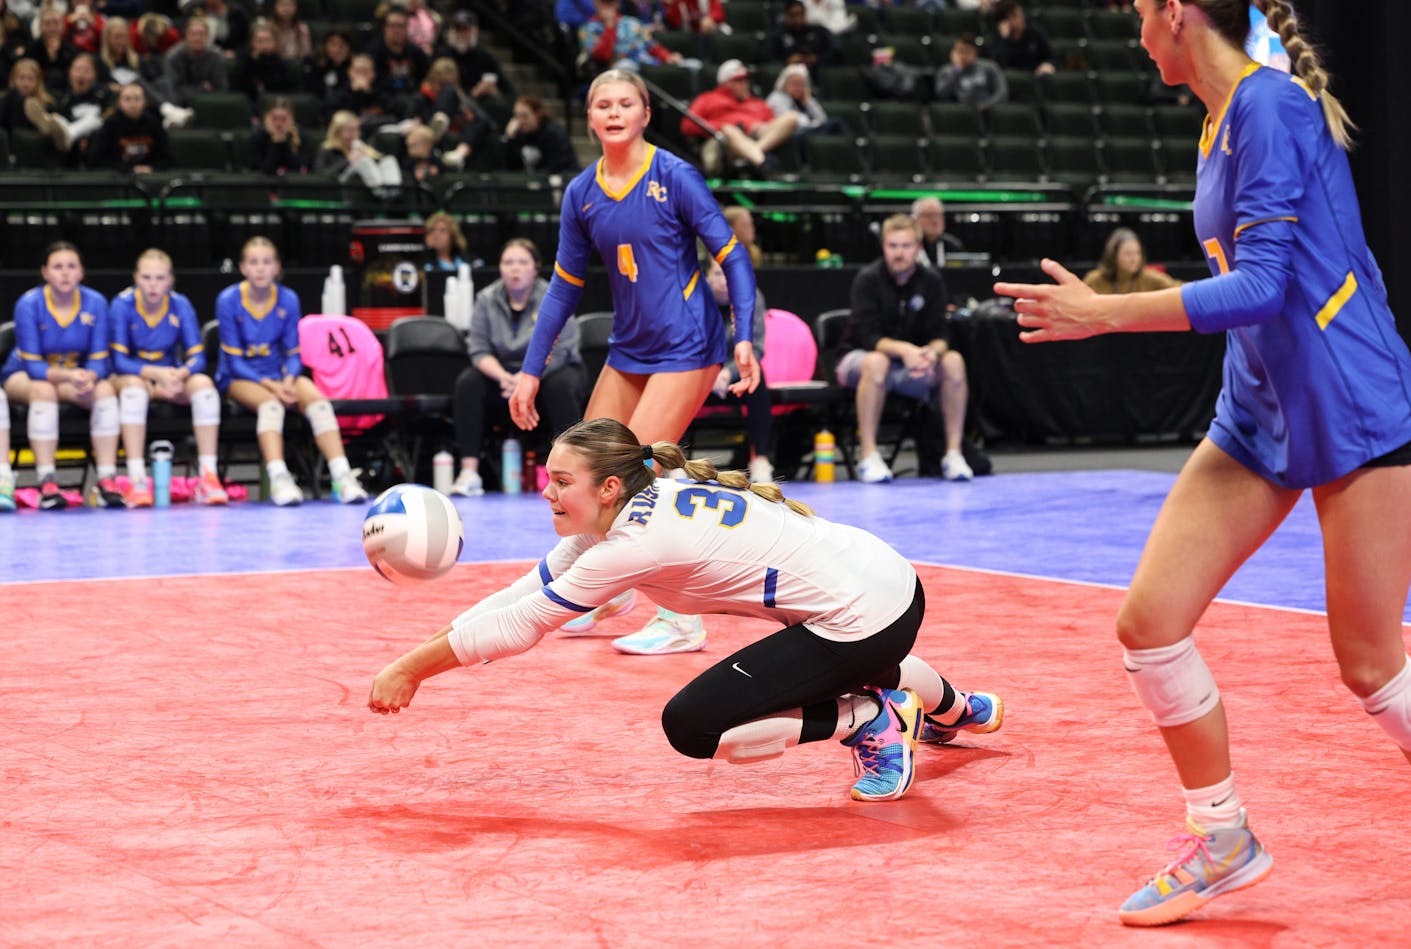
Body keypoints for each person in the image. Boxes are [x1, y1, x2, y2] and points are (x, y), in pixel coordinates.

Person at [994, 0, 1411, 927]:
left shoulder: (1272, 107)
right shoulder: (1217, 118)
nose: (1135, 33)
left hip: (1353, 402)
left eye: (1140, 15)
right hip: (1258, 410)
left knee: (1372, 667)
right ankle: (1221, 835)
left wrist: (1103, 311)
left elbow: (1265, 286)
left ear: (1179, 12)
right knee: (1149, 623)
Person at [367, 417, 1006, 804]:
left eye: (561, 480)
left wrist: (412, 670)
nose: (547, 489)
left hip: (865, 620)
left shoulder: (633, 542)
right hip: (886, 584)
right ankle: (955, 709)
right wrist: (417, 654)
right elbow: (517, 597)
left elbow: (521, 626)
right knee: (836, 648)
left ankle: (869, 718)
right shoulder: (635, 505)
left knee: (693, 727)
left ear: (608, 486)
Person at [509, 69, 762, 656]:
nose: (615, 112)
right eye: (603, 104)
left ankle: (680, 620)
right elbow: (563, 290)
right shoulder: (582, 192)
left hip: (689, 343)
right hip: (631, 347)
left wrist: (741, 334)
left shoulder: (675, 177)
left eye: (627, 103)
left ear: (646, 113)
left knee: (634, 479)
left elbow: (734, 256)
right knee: (580, 466)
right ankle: (610, 591)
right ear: (590, 117)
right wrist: (529, 369)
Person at [214, 236, 369, 507]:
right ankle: (279, 479)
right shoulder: (228, 300)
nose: (260, 268)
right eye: (253, 262)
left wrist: (287, 379)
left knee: (318, 403)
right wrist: (275, 388)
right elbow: (234, 362)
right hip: (240, 377)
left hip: (279, 375)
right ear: (242, 268)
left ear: (277, 267)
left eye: (267, 262)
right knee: (271, 406)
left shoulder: (288, 299)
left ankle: (342, 477)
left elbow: (293, 353)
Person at [838, 213, 973, 484]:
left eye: (906, 246)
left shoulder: (931, 281)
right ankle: (868, 455)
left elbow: (941, 334)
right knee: (877, 361)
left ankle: (953, 455)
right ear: (884, 247)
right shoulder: (868, 279)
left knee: (954, 361)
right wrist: (905, 350)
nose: (899, 253)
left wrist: (930, 354)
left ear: (918, 248)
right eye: (893, 246)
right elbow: (868, 336)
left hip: (912, 365)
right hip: (858, 362)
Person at [450, 238, 585, 498]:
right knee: (468, 382)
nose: (515, 268)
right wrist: (507, 378)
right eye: (508, 262)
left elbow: (562, 348)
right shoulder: (486, 299)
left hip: (550, 369)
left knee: (562, 385)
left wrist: (529, 376)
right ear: (500, 268)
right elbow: (478, 350)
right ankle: (469, 472)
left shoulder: (554, 297)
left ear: (535, 268)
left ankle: (572, 472)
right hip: (503, 374)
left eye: (522, 262)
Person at [1, 242, 123, 510]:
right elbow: (33, 367)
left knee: (104, 391)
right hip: (24, 376)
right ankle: (47, 482)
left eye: (72, 266)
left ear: (81, 273)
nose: (65, 273)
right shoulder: (29, 304)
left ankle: (106, 480)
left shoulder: (96, 303)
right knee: (43, 390)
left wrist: (90, 375)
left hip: (72, 377)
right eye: (58, 267)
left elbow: (101, 359)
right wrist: (71, 376)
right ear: (45, 272)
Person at [108, 248, 227, 507]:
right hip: (133, 375)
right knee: (134, 390)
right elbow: (119, 361)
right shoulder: (121, 305)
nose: (153, 285)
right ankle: (137, 479)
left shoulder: (180, 304)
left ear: (171, 280)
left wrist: (181, 373)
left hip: (171, 376)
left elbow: (198, 358)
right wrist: (156, 375)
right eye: (147, 278)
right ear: (136, 278)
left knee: (205, 387)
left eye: (160, 278)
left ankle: (208, 476)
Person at [705, 256, 774, 485]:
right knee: (670, 379)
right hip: (697, 374)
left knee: (757, 377)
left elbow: (755, 349)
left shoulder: (751, 296)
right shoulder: (692, 297)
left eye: (729, 274)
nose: (725, 280)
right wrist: (709, 373)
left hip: (734, 378)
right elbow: (681, 344)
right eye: (717, 274)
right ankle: (674, 465)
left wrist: (727, 373)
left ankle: (761, 462)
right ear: (705, 277)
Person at [682, 58, 800, 177]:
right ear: (726, 83)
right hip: (723, 144)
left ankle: (754, 156)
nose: (745, 84)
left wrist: (758, 127)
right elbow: (687, 125)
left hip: (756, 141)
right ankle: (763, 164)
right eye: (739, 80)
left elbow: (773, 127)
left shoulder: (756, 102)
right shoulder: (707, 98)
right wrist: (722, 126)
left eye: (746, 80)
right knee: (730, 130)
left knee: (792, 116)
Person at [89, 80, 170, 173]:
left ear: (145, 101)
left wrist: (152, 168)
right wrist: (127, 169)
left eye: (137, 98)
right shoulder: (110, 125)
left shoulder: (154, 124)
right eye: (127, 99)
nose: (133, 104)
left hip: (148, 177)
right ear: (119, 102)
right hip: (119, 178)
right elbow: (97, 160)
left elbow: (165, 158)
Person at [1082, 227, 1180, 295]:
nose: (1134, 259)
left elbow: (1181, 290)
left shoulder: (1150, 278)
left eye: (1137, 253)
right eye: (1128, 254)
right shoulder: (1094, 280)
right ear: (1113, 256)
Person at [502, 94, 579, 174]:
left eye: (525, 116)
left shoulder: (554, 133)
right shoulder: (518, 134)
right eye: (517, 116)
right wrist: (510, 138)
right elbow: (512, 167)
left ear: (538, 114)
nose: (520, 121)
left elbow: (557, 166)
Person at [762, 0, 839, 78]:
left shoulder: (818, 31)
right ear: (786, 15)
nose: (797, 19)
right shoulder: (776, 35)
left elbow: (835, 51)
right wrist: (786, 62)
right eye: (793, 15)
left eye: (801, 14)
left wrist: (816, 58)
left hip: (815, 74)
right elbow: (766, 58)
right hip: (787, 76)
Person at [164, 15, 227, 105]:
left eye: (201, 34)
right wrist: (202, 88)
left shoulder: (216, 56)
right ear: (186, 36)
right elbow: (173, 92)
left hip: (210, 105)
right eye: (193, 34)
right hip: (181, 107)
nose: (197, 38)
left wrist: (188, 90)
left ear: (207, 36)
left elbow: (221, 90)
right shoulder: (173, 57)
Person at [934, 33, 1008, 108]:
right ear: (952, 53)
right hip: (961, 111)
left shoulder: (990, 67)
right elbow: (942, 94)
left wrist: (986, 105)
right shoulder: (946, 71)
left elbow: (1002, 93)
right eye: (960, 51)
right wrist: (957, 69)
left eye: (967, 51)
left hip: (988, 109)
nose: (963, 55)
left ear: (975, 53)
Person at [986, 0, 1054, 77]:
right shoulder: (997, 40)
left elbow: (1050, 57)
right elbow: (995, 66)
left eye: (1020, 14)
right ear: (1004, 21)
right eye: (1015, 16)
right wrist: (1003, 39)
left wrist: (1047, 64)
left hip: (1034, 78)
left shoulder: (1035, 33)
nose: (1021, 18)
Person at [247, 95, 305, 174]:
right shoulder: (256, 139)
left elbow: (298, 170)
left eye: (283, 119)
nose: (279, 124)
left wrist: (283, 142)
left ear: (292, 119)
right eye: (274, 118)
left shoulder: (300, 137)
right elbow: (263, 171)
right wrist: (276, 142)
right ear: (266, 118)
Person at [911, 196, 966, 269]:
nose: (935, 220)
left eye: (938, 215)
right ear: (915, 219)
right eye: (929, 215)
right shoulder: (907, 246)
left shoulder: (953, 246)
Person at [421, 210, 467, 277]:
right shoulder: (423, 265)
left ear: (453, 235)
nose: (436, 235)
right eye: (432, 230)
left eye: (442, 230)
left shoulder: (466, 261)